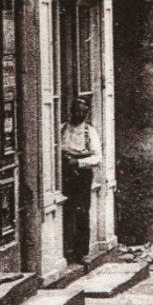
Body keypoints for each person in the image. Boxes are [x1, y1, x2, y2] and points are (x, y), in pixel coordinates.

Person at [59, 98, 102, 265]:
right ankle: (66, 249)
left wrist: (78, 161)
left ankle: (81, 252)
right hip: (65, 176)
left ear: (87, 113)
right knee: (66, 211)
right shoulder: (62, 128)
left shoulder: (89, 132)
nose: (79, 114)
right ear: (71, 111)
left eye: (83, 112)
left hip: (82, 176)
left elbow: (97, 157)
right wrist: (69, 155)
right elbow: (57, 149)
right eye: (76, 111)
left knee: (82, 212)